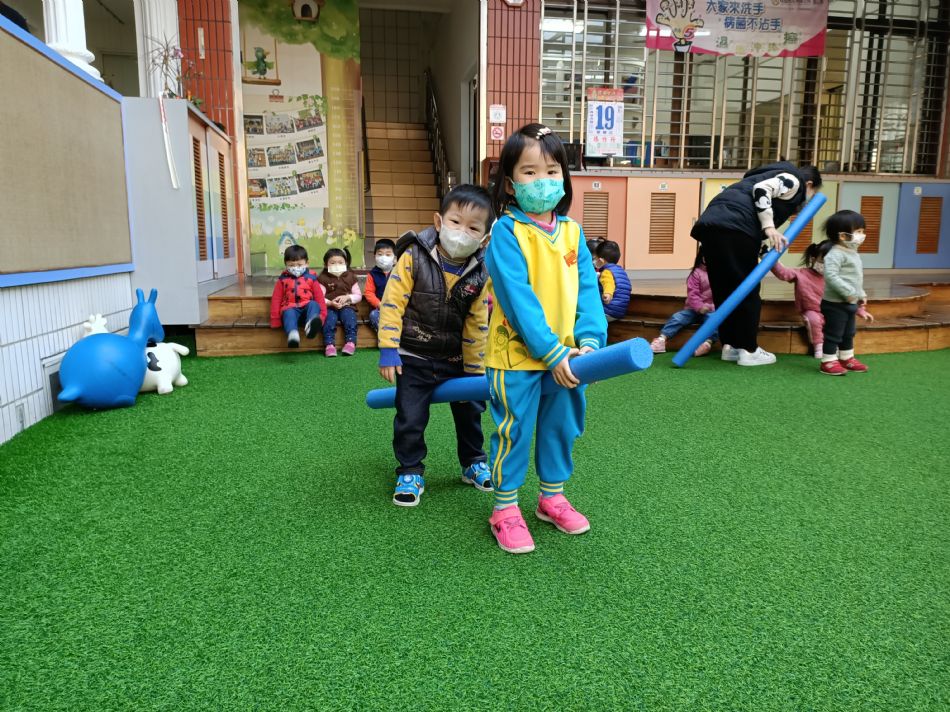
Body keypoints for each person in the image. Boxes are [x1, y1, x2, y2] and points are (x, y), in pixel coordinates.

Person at [484, 123, 607, 554]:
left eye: (552, 171)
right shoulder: (506, 232)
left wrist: (589, 344)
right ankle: (504, 508)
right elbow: (518, 300)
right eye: (530, 172)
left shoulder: (572, 232)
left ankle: (551, 498)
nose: (543, 181)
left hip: (569, 357)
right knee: (514, 429)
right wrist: (552, 352)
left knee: (561, 425)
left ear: (565, 178)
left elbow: (588, 291)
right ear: (510, 183)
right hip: (516, 356)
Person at [377, 184, 494, 506]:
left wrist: (474, 370)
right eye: (455, 222)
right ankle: (410, 470)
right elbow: (392, 303)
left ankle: (473, 462)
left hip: (456, 359)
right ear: (439, 221)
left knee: (470, 412)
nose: (461, 232)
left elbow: (477, 323)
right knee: (410, 417)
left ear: (484, 239)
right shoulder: (413, 256)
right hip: (413, 355)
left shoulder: (481, 272)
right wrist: (388, 349)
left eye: (473, 228)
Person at [691, 161, 822, 366]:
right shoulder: (793, 180)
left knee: (724, 288)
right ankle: (748, 350)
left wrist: (760, 244)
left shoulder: (756, 177)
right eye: (812, 194)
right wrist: (769, 227)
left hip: (711, 226)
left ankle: (731, 346)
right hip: (736, 228)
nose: (808, 201)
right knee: (747, 289)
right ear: (810, 184)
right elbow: (762, 190)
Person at [769, 240, 872, 359]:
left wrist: (860, 310)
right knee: (813, 319)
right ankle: (819, 346)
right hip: (813, 310)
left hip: (834, 310)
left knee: (841, 321)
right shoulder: (802, 274)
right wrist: (770, 258)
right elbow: (783, 273)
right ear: (813, 259)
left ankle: (840, 347)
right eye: (824, 260)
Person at [819, 210, 875, 375]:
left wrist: (861, 295)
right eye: (858, 231)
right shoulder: (835, 254)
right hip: (835, 304)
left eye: (863, 231)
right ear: (843, 236)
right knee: (833, 334)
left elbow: (855, 279)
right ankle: (828, 361)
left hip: (850, 301)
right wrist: (850, 293)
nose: (862, 235)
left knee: (848, 333)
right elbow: (831, 276)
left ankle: (846, 358)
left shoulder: (852, 252)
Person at [650, 250, 718, 357]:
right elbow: (693, 294)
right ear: (701, 257)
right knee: (677, 318)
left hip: (711, 310)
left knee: (715, 321)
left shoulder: (720, 274)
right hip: (693, 309)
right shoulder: (696, 273)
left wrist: (710, 307)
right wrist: (700, 307)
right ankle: (662, 340)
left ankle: (707, 344)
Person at [269, 245, 327, 348]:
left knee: (314, 304)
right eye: (291, 265)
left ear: (307, 263)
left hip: (307, 311)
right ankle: (293, 335)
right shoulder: (282, 280)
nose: (296, 267)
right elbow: (276, 299)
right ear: (286, 264)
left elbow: (320, 298)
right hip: (290, 307)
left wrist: (322, 316)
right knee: (288, 312)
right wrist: (275, 319)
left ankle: (311, 326)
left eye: (299, 264)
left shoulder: (312, 278)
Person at [317, 248, 361, 357]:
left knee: (350, 318)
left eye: (340, 262)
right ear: (325, 264)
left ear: (346, 263)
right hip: (330, 307)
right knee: (328, 320)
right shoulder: (322, 278)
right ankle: (329, 345)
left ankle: (350, 343)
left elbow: (358, 295)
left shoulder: (351, 277)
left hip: (347, 306)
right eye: (333, 263)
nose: (337, 265)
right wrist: (330, 303)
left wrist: (348, 298)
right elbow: (319, 297)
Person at [594, 240, 631, 321]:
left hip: (607, 311)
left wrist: (608, 294)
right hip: (619, 311)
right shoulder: (621, 271)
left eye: (595, 258)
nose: (594, 261)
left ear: (600, 260)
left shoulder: (606, 272)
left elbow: (608, 283)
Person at [364, 238, 396, 332]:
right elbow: (369, 292)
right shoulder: (372, 274)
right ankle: (386, 336)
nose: (383, 257)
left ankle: (398, 337)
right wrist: (379, 304)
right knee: (373, 315)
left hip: (398, 308)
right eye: (380, 254)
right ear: (375, 256)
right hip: (380, 309)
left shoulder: (399, 272)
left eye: (388, 254)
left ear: (394, 258)